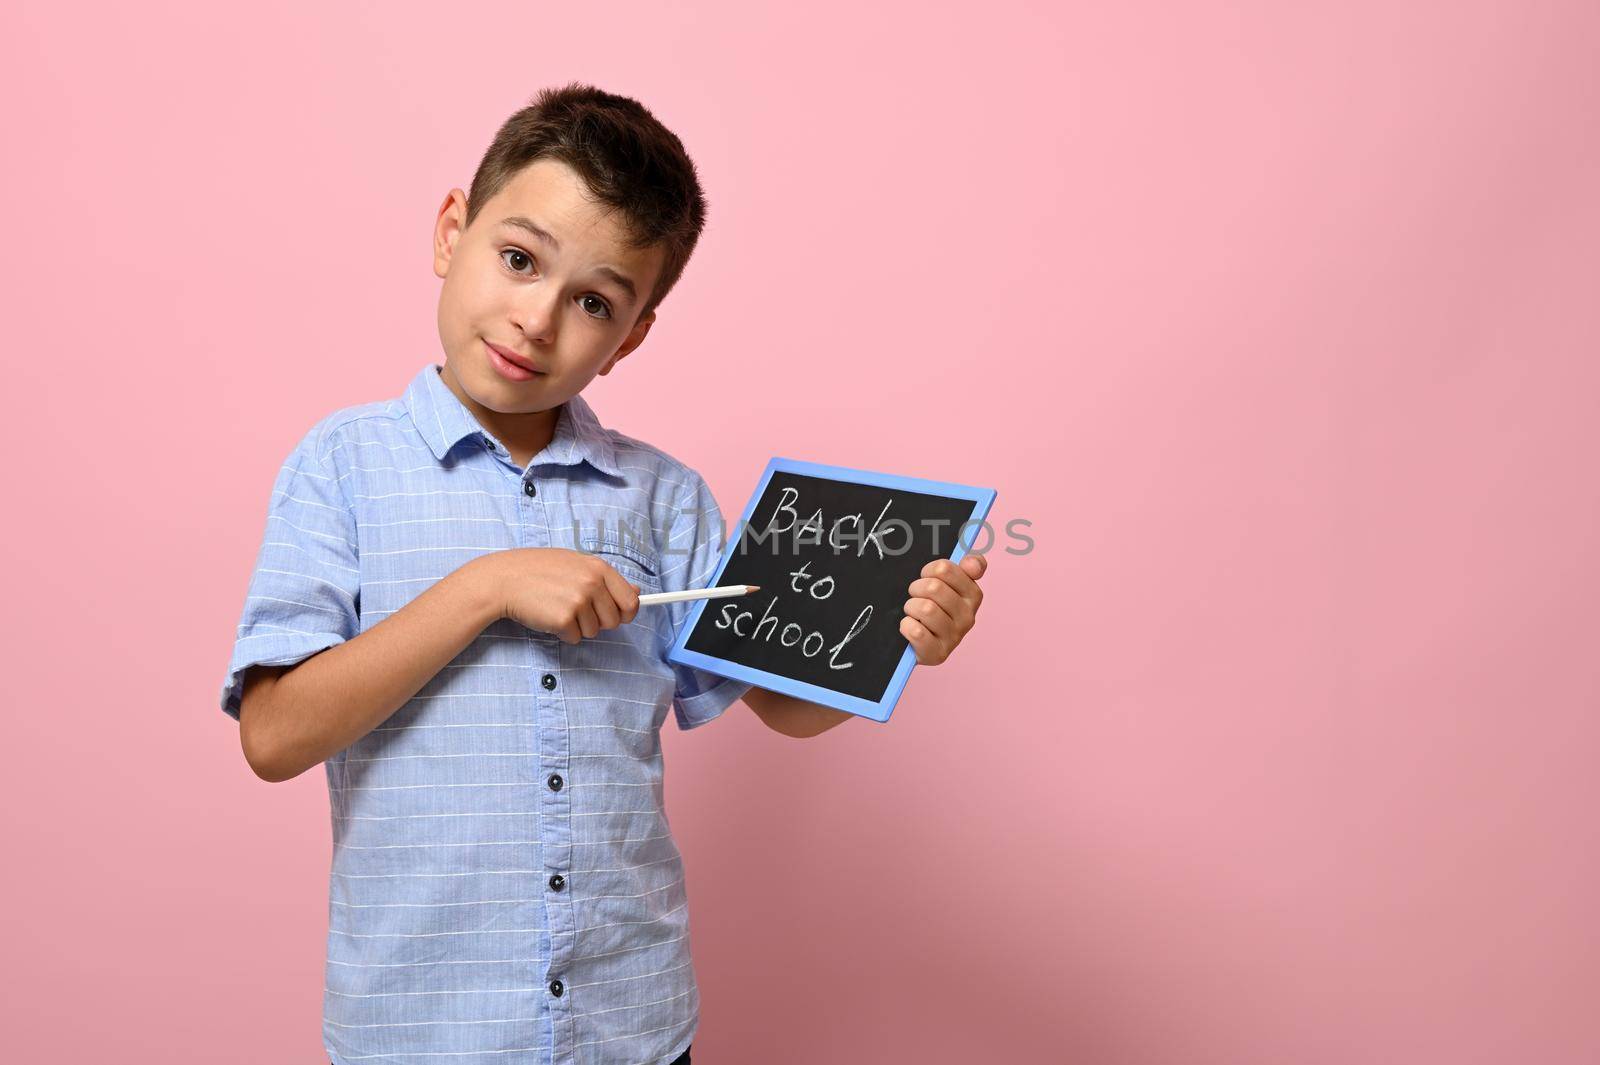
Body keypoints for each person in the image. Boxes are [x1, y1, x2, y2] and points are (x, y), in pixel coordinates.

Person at [220, 83, 988, 1065]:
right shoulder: (341, 467)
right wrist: (485, 587)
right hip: (416, 1031)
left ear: (630, 337)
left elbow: (775, 705)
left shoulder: (661, 498)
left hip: (629, 1025)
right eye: (517, 259)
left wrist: (898, 641)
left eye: (592, 301)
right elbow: (274, 736)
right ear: (452, 231)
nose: (537, 318)